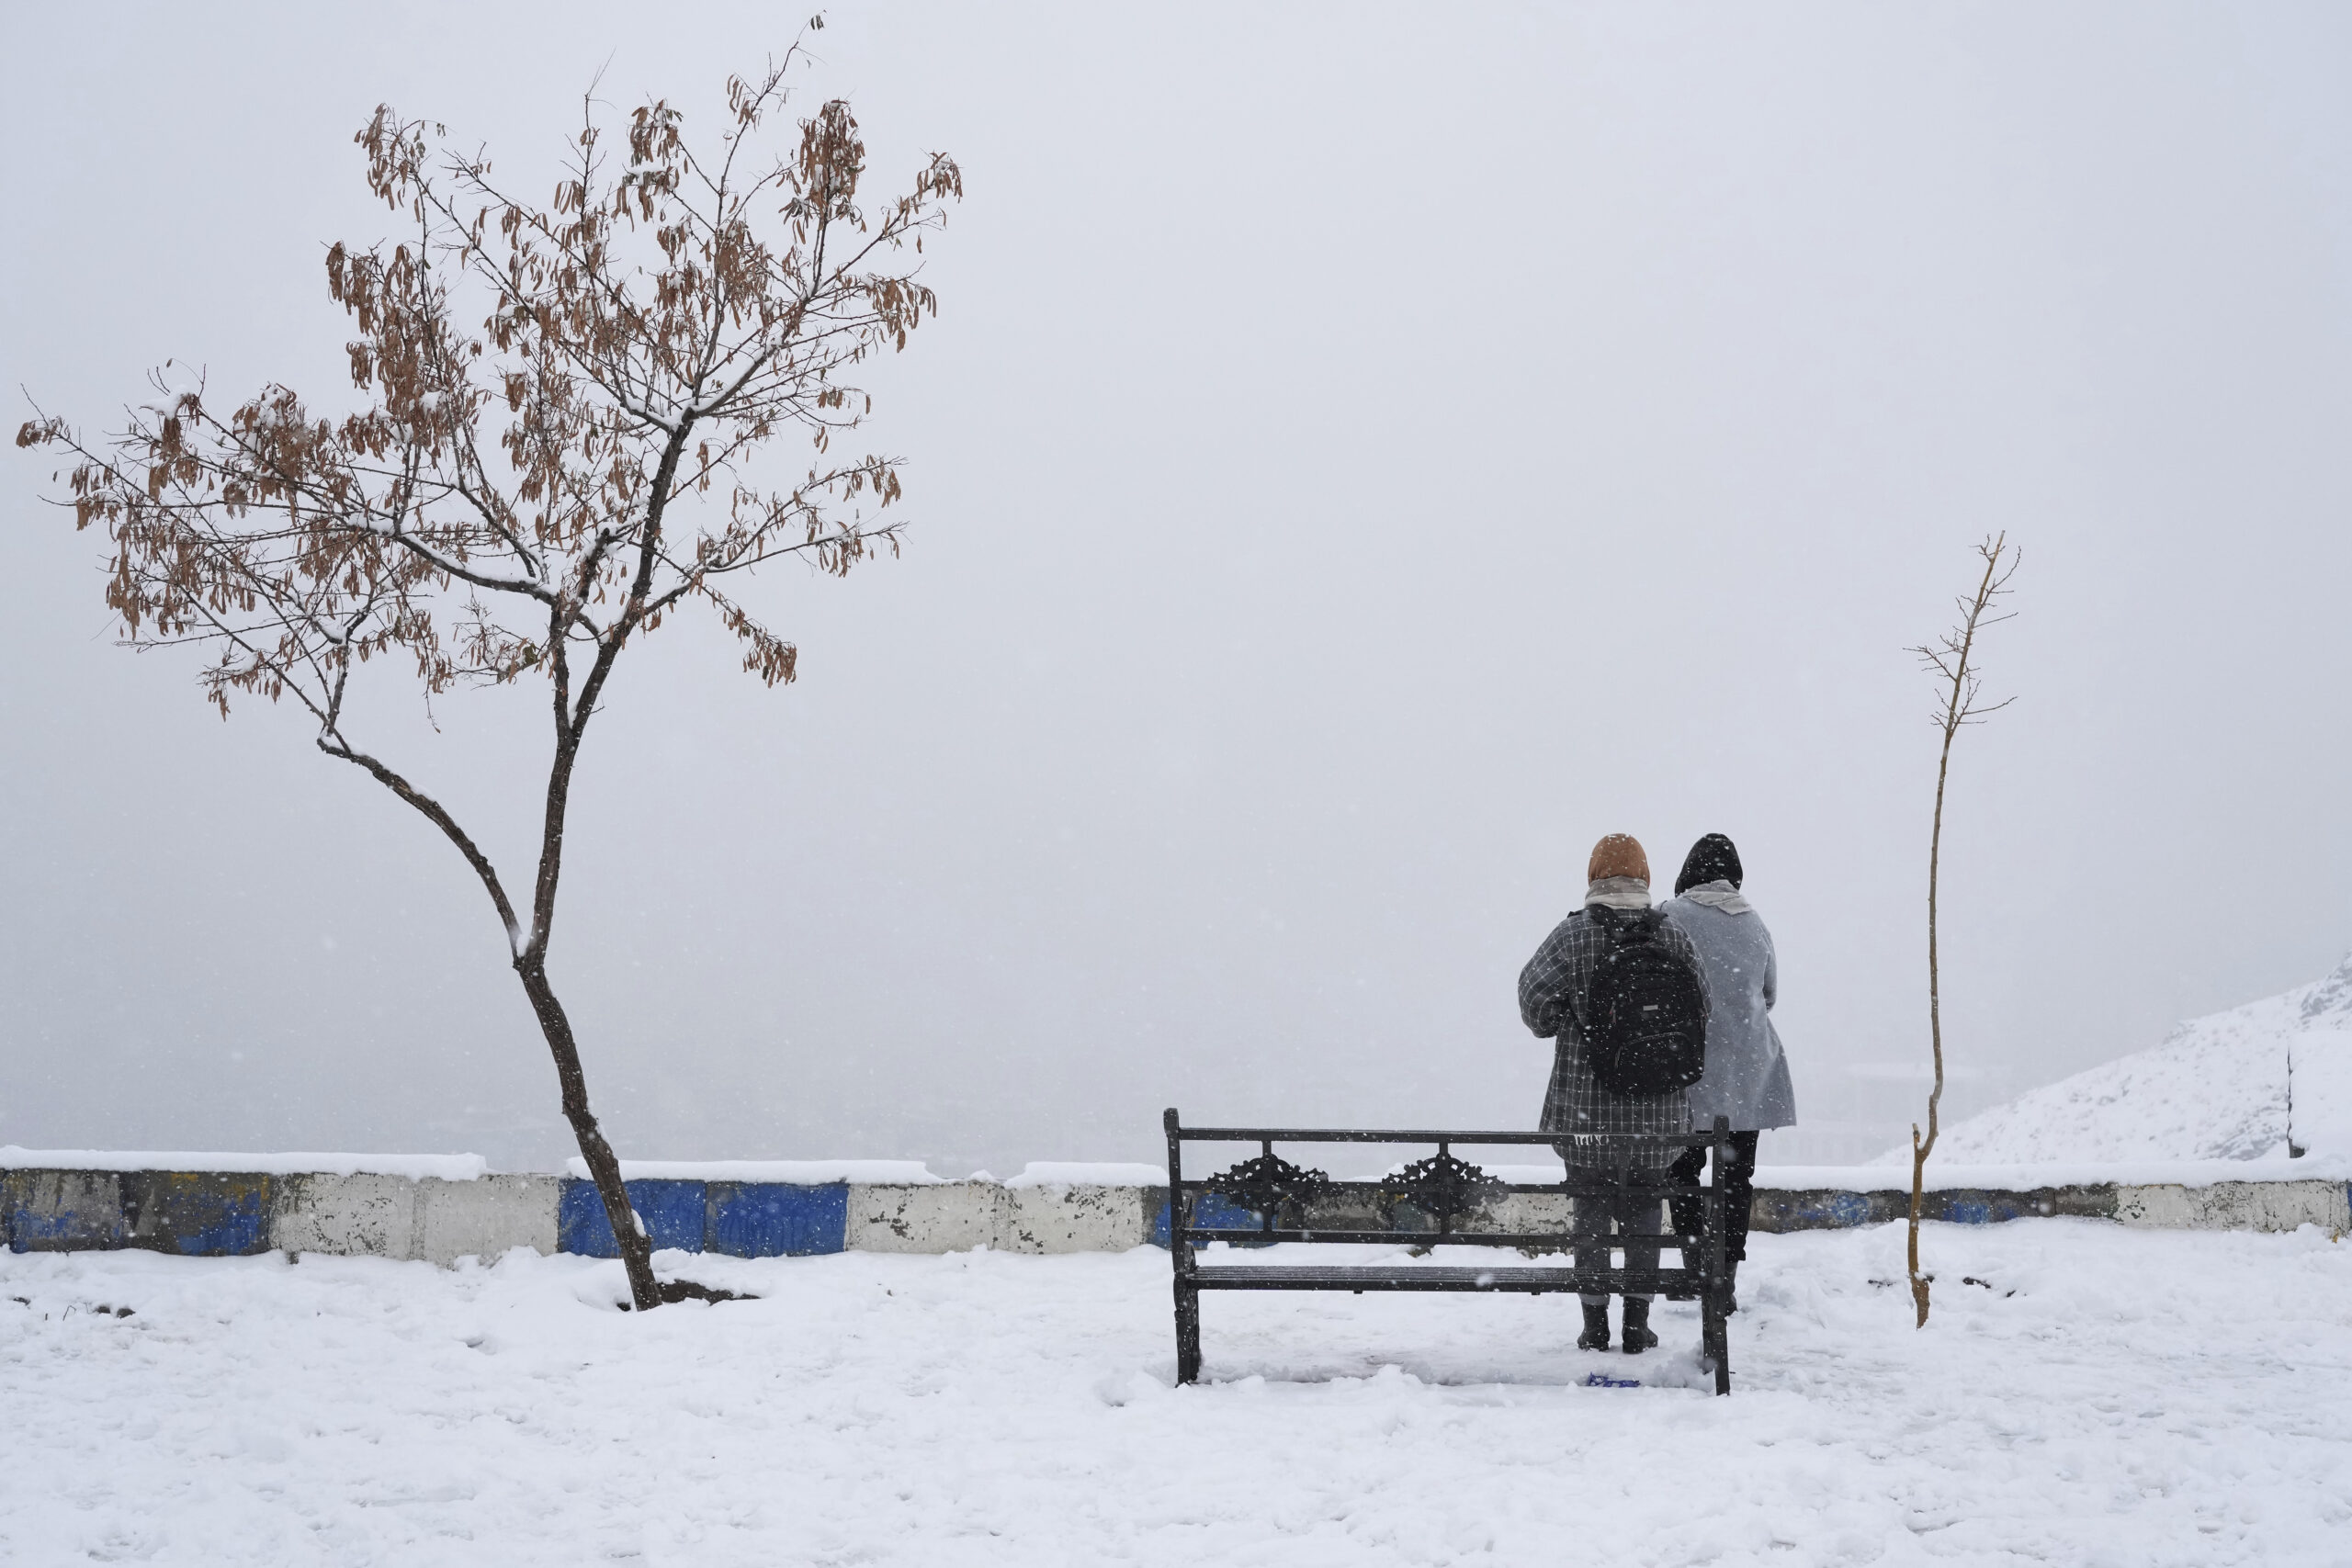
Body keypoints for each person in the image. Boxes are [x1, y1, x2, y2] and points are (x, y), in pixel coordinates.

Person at [1518, 832, 1708, 1355]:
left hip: (1585, 1113)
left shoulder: (1572, 937)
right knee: (1647, 1210)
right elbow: (1703, 1012)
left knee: (1591, 1210)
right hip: (1658, 1113)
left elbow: (1534, 1007)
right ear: (1645, 878)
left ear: (1593, 878)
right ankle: (1637, 1321)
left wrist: (1571, 1018)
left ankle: (1594, 1319)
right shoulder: (1674, 936)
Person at [1660, 833, 1796, 1308]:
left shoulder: (1669, 917)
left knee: (1682, 1172)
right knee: (1737, 1180)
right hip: (1748, 1072)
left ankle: (1695, 1266)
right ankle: (1727, 1276)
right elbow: (1769, 994)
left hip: (1689, 1074)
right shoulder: (1755, 924)